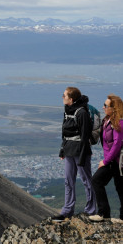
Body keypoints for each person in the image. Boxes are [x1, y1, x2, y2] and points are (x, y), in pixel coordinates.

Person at [52, 87, 96, 222]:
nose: (62, 97)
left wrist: (82, 156)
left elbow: (85, 136)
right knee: (68, 181)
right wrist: (62, 150)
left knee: (86, 181)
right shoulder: (67, 111)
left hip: (80, 151)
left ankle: (91, 210)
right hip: (69, 150)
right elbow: (64, 132)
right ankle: (67, 210)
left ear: (71, 99)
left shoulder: (81, 113)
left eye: (64, 95)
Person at [89, 94, 123, 222]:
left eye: (106, 105)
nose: (103, 107)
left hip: (117, 161)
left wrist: (105, 161)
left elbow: (117, 144)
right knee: (119, 187)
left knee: (97, 180)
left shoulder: (119, 123)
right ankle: (106, 214)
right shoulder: (107, 121)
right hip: (113, 160)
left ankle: (104, 213)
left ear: (114, 108)